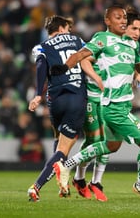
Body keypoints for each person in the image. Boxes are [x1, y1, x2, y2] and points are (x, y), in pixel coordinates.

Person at [51, 4, 140, 202]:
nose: (137, 32)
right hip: (113, 107)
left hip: (119, 105)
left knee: (110, 146)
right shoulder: (103, 39)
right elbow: (81, 55)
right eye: (133, 28)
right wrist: (63, 67)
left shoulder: (132, 46)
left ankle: (66, 166)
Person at [27, 15, 89, 202]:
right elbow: (90, 57)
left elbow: (40, 66)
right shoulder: (77, 40)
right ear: (61, 28)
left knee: (58, 139)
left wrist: (38, 94)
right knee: (64, 148)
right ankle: (36, 186)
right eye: (67, 28)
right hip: (75, 98)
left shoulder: (41, 46)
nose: (69, 31)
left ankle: (63, 185)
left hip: (54, 100)